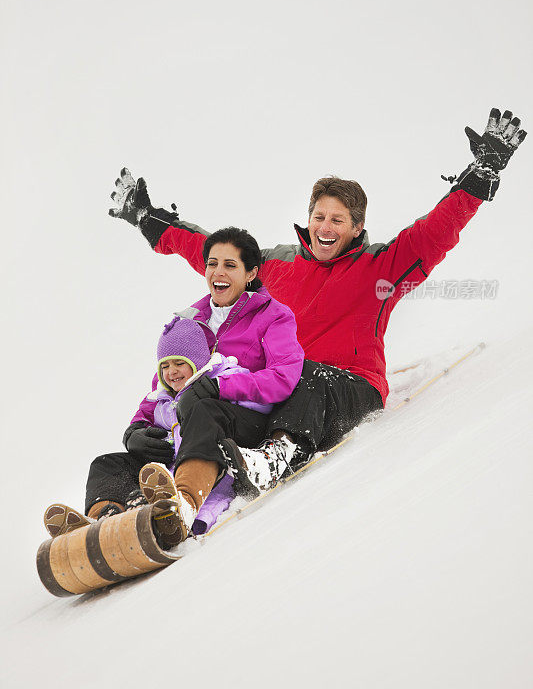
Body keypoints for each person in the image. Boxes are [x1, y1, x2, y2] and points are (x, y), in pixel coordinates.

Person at [109, 108, 527, 491]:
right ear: (308, 220)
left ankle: (276, 456)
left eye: (337, 220)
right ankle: (143, 496)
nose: (325, 227)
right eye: (319, 217)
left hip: (349, 389)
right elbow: (210, 250)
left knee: (308, 373)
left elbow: (434, 233)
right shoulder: (275, 265)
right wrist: (150, 221)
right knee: (208, 396)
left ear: (356, 227)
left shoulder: (379, 267)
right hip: (283, 394)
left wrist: (480, 175)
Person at [45, 227, 305, 548]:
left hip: (239, 423)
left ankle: (183, 504)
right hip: (185, 430)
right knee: (108, 463)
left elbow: (283, 378)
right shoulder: (190, 321)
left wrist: (219, 387)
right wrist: (137, 430)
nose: (218, 272)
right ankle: (106, 519)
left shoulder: (273, 316)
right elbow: (163, 387)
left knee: (203, 412)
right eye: (212, 263)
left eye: (230, 265)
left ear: (251, 272)